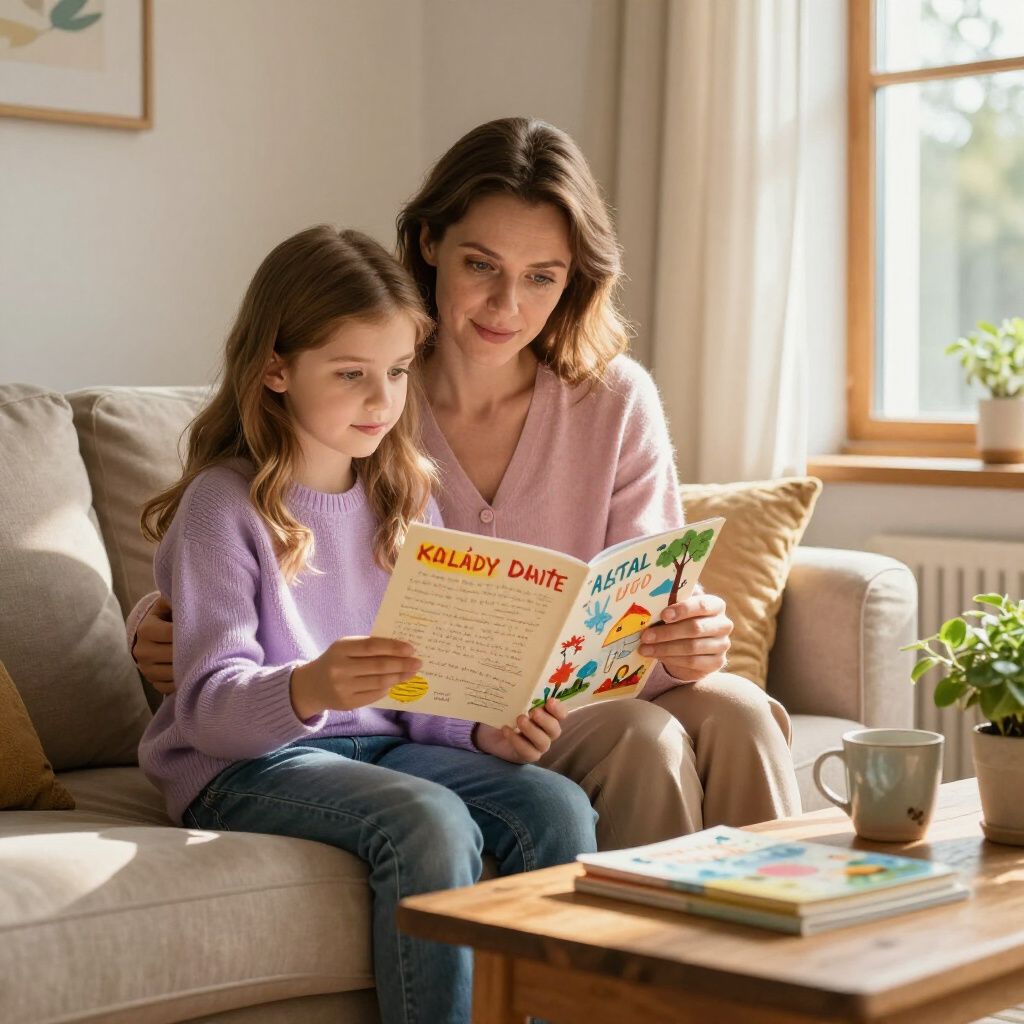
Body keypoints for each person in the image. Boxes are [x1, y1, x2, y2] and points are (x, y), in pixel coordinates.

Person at [131, 118, 801, 847]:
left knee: (741, 710)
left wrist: (688, 636)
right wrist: (151, 625)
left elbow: (644, 594)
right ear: (429, 244)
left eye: (541, 277)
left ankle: (792, 938)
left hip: (568, 696)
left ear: (574, 277)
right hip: (457, 716)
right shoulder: (372, 393)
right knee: (641, 739)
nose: (505, 307)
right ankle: (634, 957)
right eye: (481, 266)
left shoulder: (614, 401)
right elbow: (269, 530)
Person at [136, 225, 598, 1024]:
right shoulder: (225, 507)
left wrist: (483, 731)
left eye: (395, 372)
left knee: (556, 806)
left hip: (381, 745)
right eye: (351, 374)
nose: (383, 402)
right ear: (275, 368)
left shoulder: (401, 497)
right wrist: (309, 685)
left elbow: (419, 684)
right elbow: (208, 709)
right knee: (426, 819)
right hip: (247, 767)